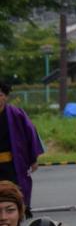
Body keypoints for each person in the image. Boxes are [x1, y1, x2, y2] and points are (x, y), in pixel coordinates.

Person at [0, 83, 44, 218]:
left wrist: (33, 159)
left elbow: (31, 134)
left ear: (6, 97)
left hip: (12, 163)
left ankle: (19, 211)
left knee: (15, 191)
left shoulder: (16, 114)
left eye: (0, 95)